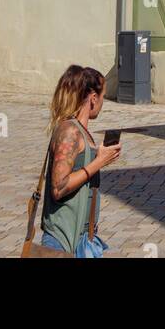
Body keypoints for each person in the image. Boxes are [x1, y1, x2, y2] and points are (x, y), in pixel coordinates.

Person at [40, 65, 121, 257]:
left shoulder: (83, 133)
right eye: (103, 97)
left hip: (82, 241)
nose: (103, 102)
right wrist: (98, 162)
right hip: (62, 240)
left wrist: (101, 157)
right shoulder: (70, 131)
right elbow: (58, 188)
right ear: (93, 99)